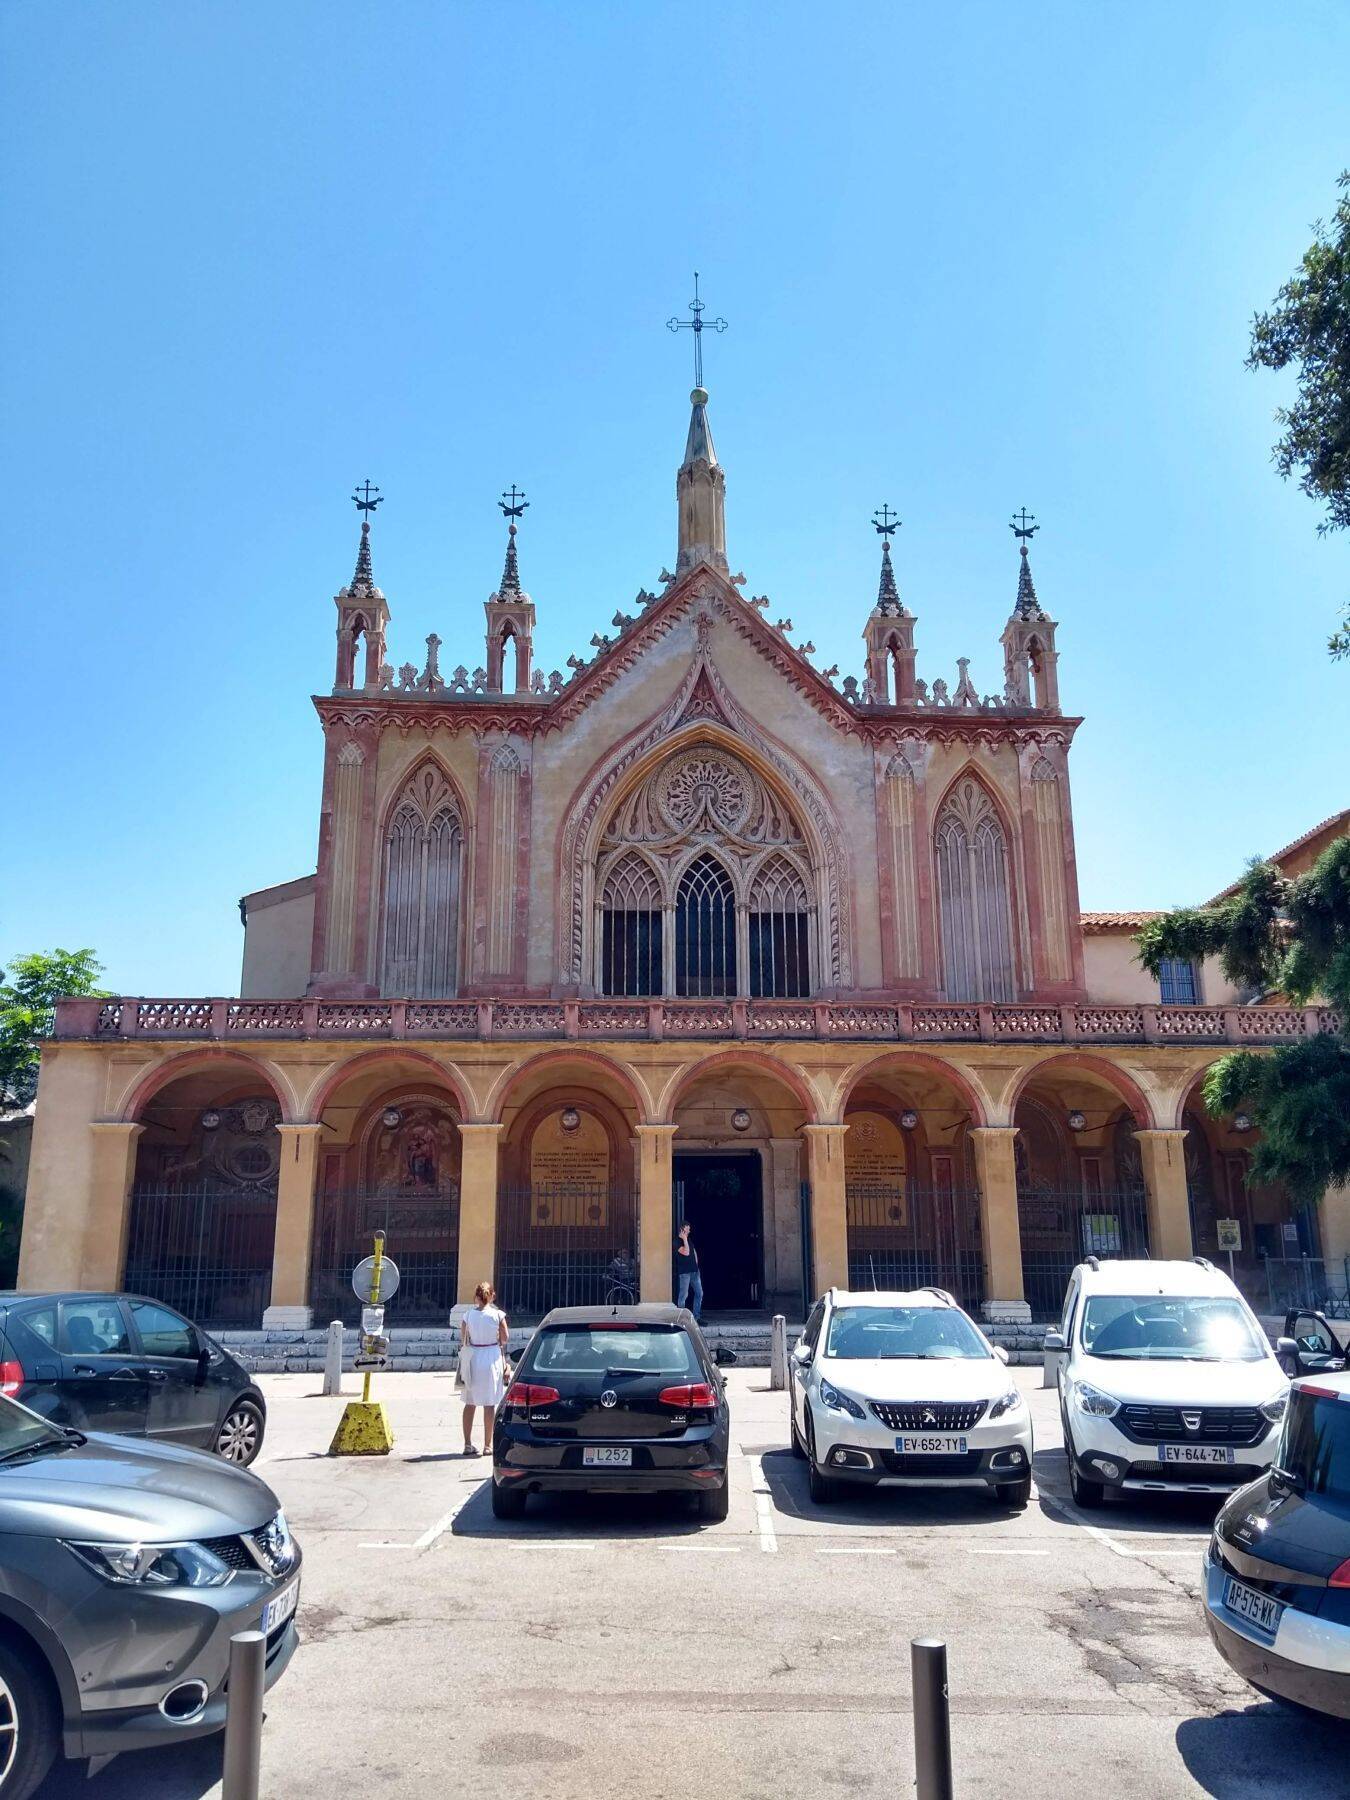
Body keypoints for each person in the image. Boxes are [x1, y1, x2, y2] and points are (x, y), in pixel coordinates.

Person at [459, 1280, 509, 1456]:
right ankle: (488, 1445)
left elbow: (463, 1338)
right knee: (489, 1404)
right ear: (492, 1295)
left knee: (470, 1403)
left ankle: (467, 1443)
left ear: (476, 1296)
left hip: (473, 1356)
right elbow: (505, 1338)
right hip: (491, 1356)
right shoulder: (497, 1315)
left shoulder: (468, 1315)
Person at [673, 1220, 703, 1320]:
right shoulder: (676, 1242)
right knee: (683, 1296)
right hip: (685, 1273)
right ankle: (681, 1319)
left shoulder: (689, 1240)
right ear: (682, 1229)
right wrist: (684, 1239)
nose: (689, 1231)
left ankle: (696, 1317)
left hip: (694, 1272)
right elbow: (686, 1252)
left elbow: (693, 1252)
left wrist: (696, 1264)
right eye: (687, 1229)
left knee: (699, 1293)